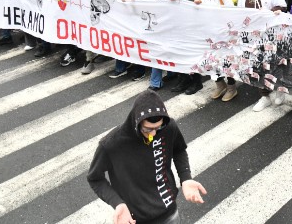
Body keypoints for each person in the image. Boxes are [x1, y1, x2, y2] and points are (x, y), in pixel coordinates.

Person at [87, 90, 207, 224]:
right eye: (147, 129)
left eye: (158, 127)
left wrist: (185, 178)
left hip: (170, 213)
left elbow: (179, 150)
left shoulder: (168, 127)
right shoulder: (111, 144)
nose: (154, 133)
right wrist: (118, 203)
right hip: (135, 219)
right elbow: (95, 178)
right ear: (136, 122)